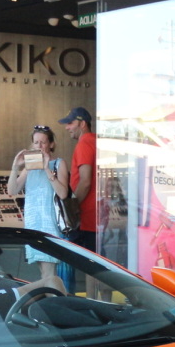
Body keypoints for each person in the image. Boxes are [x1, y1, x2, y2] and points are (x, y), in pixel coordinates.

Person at [7, 125, 70, 292]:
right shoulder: (29, 168)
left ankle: (20, 295)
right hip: (33, 225)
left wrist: (47, 168)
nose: (39, 146)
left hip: (50, 226)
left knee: (49, 275)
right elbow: (12, 190)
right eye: (36, 143)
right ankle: (50, 307)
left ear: (51, 144)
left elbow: (63, 193)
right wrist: (15, 167)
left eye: (43, 142)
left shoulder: (58, 164)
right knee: (45, 275)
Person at [58, 106, 98, 253]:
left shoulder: (84, 144)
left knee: (85, 266)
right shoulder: (97, 141)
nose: (67, 127)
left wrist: (70, 208)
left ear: (82, 124)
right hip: (97, 218)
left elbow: (85, 181)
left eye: (70, 123)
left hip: (85, 219)